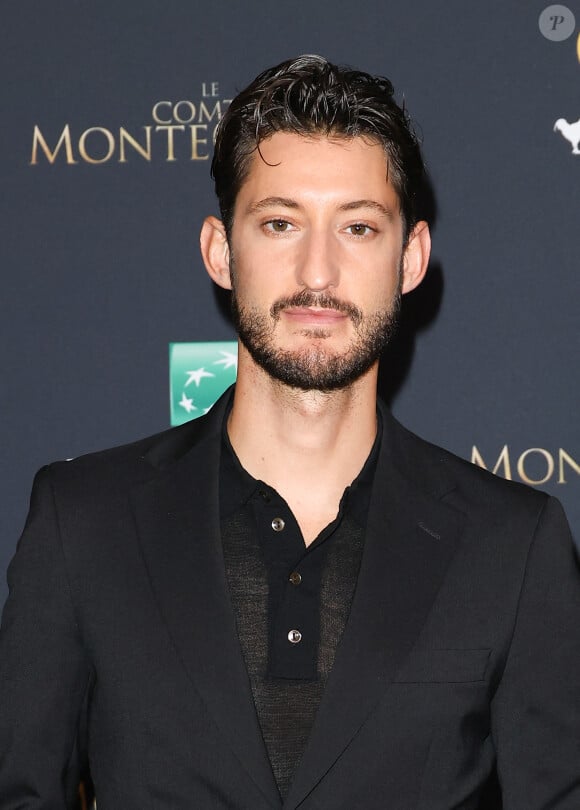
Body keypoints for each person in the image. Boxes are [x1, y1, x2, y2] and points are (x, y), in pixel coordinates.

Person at [0, 55, 579, 810]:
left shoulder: (513, 544)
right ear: (221, 251)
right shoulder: (82, 521)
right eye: (280, 223)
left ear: (410, 259)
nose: (318, 272)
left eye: (358, 227)